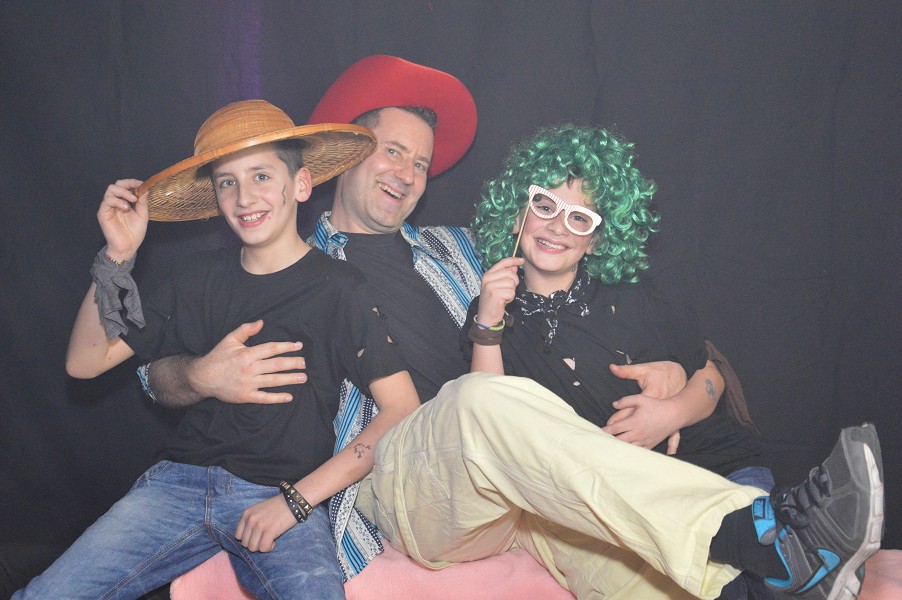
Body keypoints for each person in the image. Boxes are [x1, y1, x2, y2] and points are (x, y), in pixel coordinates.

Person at [139, 56, 734, 581]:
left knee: (651, 577)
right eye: (393, 151)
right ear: (346, 157)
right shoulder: (291, 269)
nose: (406, 173)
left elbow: (571, 306)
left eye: (420, 163)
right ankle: (723, 520)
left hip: (512, 480)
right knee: (478, 397)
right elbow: (150, 374)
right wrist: (198, 375)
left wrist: (674, 377)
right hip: (404, 476)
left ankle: (754, 549)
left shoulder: (467, 249)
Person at [363, 124, 884, 600]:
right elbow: (491, 420)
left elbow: (712, 377)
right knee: (733, 575)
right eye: (544, 205)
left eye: (579, 218)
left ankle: (783, 545)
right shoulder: (490, 321)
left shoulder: (632, 296)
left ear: (595, 240)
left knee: (754, 565)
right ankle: (784, 554)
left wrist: (670, 411)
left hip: (719, 465)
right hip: (626, 500)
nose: (557, 226)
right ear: (518, 212)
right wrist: (489, 320)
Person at [14, 100, 421, 599]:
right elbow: (85, 361)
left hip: (279, 494)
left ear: (300, 184)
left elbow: (402, 409)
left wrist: (296, 502)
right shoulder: (195, 277)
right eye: (228, 182)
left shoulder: (340, 287)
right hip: (176, 486)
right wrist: (117, 256)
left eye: (261, 176)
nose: (244, 197)